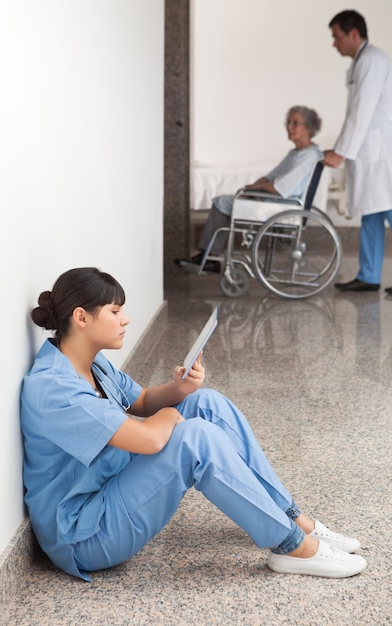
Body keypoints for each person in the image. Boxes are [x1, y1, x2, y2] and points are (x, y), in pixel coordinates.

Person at [20, 267, 367, 581]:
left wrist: (180, 389)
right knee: (193, 437)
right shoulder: (55, 388)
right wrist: (172, 414)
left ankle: (292, 518)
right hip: (84, 534)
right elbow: (150, 440)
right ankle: (293, 547)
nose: (125, 319)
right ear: (81, 317)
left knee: (207, 403)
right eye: (115, 311)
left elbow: (139, 401)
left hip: (109, 489)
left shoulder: (92, 364)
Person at [175, 106, 323, 273]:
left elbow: (281, 188)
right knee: (228, 200)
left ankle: (209, 258)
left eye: (295, 123)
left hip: (281, 205)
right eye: (288, 122)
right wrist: (255, 187)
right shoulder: (296, 153)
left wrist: (258, 188)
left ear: (309, 127)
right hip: (274, 201)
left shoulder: (308, 156)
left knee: (222, 203)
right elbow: (270, 177)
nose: (289, 127)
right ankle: (208, 257)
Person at [324, 10, 392, 293]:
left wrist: (342, 153)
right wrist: (340, 148)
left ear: (354, 34)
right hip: (369, 151)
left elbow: (362, 113)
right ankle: (369, 276)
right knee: (372, 213)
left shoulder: (373, 61)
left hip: (381, 153)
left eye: (337, 36)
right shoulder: (362, 62)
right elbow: (355, 114)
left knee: (386, 208)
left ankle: (369, 274)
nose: (334, 43)